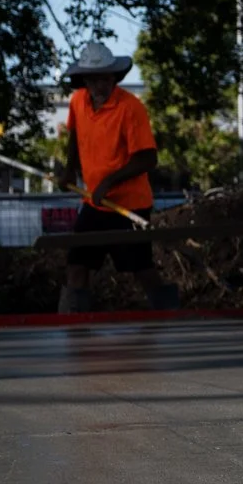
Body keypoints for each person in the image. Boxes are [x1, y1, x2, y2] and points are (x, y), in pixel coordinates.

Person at [58, 41, 179, 312]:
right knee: (77, 266)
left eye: (105, 78)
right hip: (94, 203)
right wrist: (69, 169)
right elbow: (75, 136)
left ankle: (170, 314)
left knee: (140, 269)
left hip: (128, 205)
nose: (100, 84)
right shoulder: (78, 101)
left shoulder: (130, 107)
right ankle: (74, 328)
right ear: (84, 79)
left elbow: (148, 158)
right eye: (94, 78)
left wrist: (110, 182)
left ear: (114, 77)